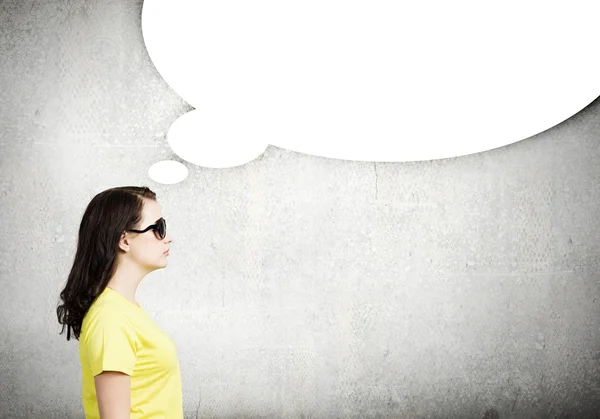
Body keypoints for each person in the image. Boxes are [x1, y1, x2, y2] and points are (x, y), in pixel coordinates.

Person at [56, 186, 182, 418]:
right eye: (159, 228)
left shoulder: (125, 310)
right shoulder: (111, 318)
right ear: (124, 240)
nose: (169, 237)